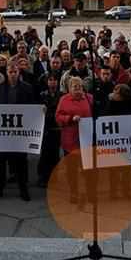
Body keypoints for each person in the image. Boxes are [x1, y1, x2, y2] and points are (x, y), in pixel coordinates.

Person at [0, 61, 36, 200]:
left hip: (20, 131)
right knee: (0, 161)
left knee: (21, 161)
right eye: (10, 72)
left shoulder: (27, 88)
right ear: (6, 73)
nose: (12, 74)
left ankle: (23, 188)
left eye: (15, 72)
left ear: (19, 72)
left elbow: (33, 106)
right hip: (4, 131)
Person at [55, 75, 93, 206]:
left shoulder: (89, 98)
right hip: (70, 140)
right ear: (69, 88)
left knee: (88, 169)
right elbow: (58, 116)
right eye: (74, 87)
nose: (77, 89)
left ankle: (89, 192)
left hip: (86, 139)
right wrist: (70, 118)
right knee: (72, 169)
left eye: (79, 86)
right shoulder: (64, 100)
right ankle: (74, 192)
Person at [37, 73, 63, 187]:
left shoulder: (62, 95)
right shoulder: (42, 95)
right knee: (45, 153)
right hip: (46, 127)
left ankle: (55, 177)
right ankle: (43, 177)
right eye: (50, 80)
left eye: (54, 80)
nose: (52, 82)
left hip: (56, 128)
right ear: (47, 82)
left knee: (55, 154)